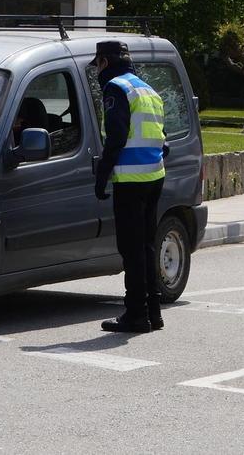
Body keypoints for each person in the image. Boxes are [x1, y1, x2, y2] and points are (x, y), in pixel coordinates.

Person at [92, 41, 169, 333]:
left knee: (131, 248)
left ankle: (136, 314)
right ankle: (153, 312)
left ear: (105, 62)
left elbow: (116, 137)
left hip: (130, 180)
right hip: (153, 177)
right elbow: (163, 139)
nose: (97, 71)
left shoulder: (116, 89)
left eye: (97, 64)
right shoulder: (147, 90)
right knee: (147, 246)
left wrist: (102, 175)